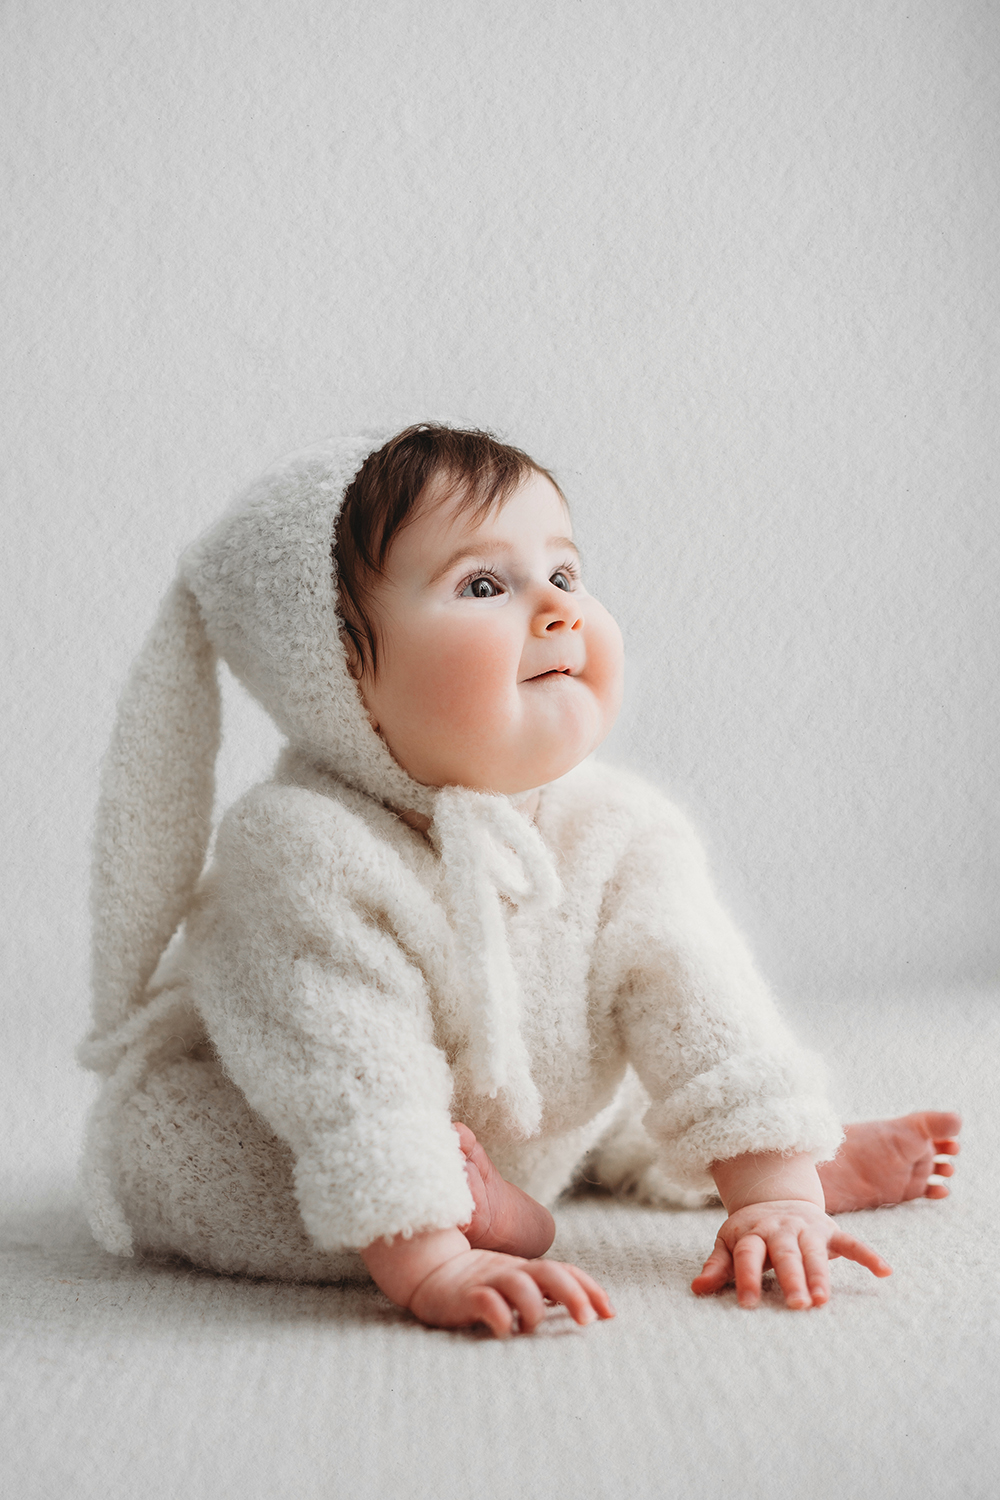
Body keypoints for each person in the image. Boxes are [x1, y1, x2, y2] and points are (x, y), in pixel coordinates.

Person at [79, 424, 961, 1339]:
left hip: (533, 1124)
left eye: (567, 574)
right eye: (485, 585)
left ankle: (777, 1158)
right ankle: (494, 1212)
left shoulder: (618, 826)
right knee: (168, 1156)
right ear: (335, 669)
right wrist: (432, 1261)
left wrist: (776, 1192)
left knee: (652, 1054)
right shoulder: (300, 847)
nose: (557, 610)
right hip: (303, 1110)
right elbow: (350, 1075)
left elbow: (704, 1005)